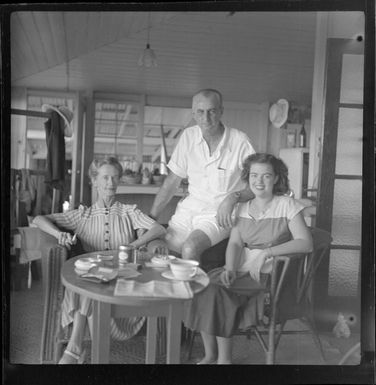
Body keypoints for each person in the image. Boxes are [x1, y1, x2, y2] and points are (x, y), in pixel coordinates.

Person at [33, 156, 166, 364]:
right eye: (104, 178)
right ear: (94, 181)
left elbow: (159, 228)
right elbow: (39, 220)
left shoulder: (129, 211)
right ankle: (82, 348)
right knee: (90, 281)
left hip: (123, 282)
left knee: (88, 283)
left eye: (114, 178)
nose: (110, 183)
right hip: (93, 282)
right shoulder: (82, 216)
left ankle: (75, 349)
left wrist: (135, 244)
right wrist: (58, 234)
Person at [184, 153, 313, 364]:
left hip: (268, 274)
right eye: (254, 175)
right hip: (242, 268)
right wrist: (230, 268)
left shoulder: (287, 205)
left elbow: (305, 243)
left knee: (218, 292)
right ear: (247, 177)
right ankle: (210, 355)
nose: (259, 181)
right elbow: (235, 243)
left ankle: (224, 360)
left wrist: (267, 253)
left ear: (277, 178)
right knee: (202, 285)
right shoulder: (243, 207)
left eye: (266, 176)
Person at [149, 89, 255, 261]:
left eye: (212, 111)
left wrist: (233, 198)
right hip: (188, 210)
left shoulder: (240, 141)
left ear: (221, 111)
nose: (206, 119)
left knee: (190, 248)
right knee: (160, 252)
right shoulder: (188, 136)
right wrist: (151, 218)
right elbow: (171, 182)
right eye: (200, 112)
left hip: (219, 214)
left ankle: (194, 288)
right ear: (193, 114)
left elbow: (256, 186)